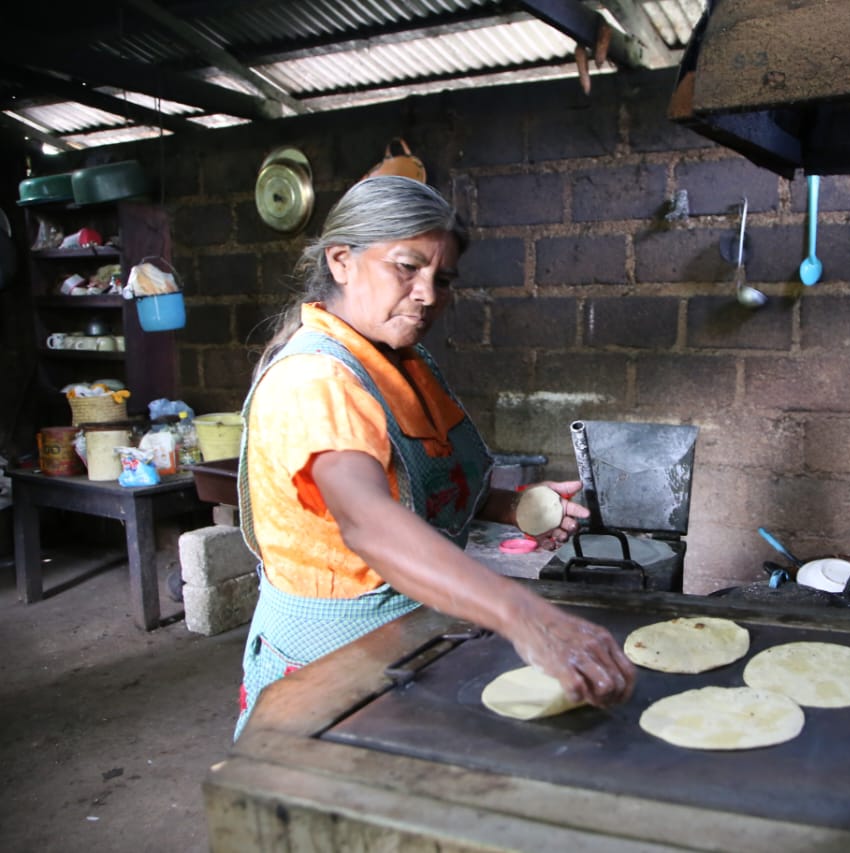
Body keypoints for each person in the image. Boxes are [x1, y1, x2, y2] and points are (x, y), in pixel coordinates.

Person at [233, 175, 634, 740]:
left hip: (410, 640)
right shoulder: (315, 378)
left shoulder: (401, 362)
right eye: (406, 267)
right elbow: (368, 523)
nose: (427, 294)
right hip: (329, 667)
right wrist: (527, 616)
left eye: (442, 279)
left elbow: (411, 489)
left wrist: (507, 506)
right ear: (342, 260)